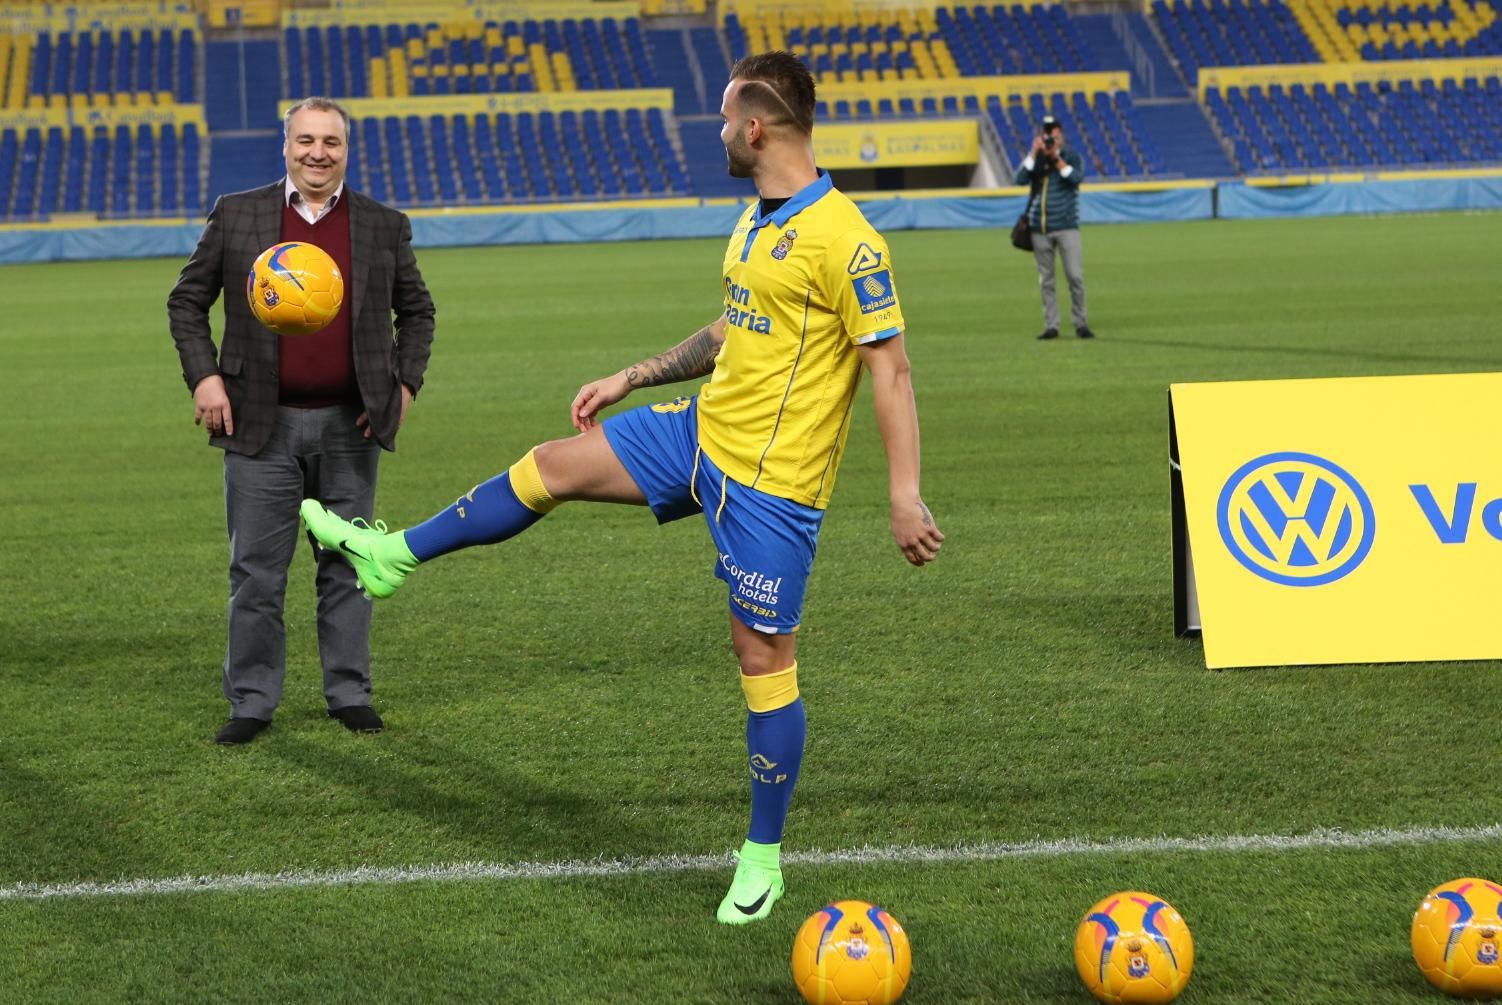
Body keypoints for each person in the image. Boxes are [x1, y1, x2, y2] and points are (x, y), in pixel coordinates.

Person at [299, 51, 943, 925]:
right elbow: (736, 326)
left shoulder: (849, 240)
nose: (717, 131)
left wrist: (903, 494)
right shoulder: (759, 219)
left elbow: (891, 369)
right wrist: (634, 375)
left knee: (761, 659)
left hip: (771, 486)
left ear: (756, 127)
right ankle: (392, 555)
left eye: (724, 118)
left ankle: (763, 859)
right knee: (555, 461)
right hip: (700, 433)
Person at [167, 96, 436, 746]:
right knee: (256, 572)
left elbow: (418, 312)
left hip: (352, 427)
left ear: (347, 149)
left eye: (331, 142)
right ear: (285, 146)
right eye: (306, 140)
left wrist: (404, 384)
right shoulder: (240, 214)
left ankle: (348, 693)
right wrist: (205, 377)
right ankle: (253, 701)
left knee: (347, 564)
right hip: (261, 426)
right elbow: (187, 301)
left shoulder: (381, 224)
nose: (318, 152)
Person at [1015, 115, 1095, 340]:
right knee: (1046, 280)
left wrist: (1057, 159)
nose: (1052, 138)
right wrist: (1034, 153)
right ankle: (1052, 325)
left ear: (1061, 136)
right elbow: (1019, 179)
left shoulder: (1072, 158)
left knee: (1075, 276)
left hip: (1066, 226)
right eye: (1048, 134)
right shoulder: (1037, 161)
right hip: (1039, 229)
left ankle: (1081, 322)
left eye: (1055, 134)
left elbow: (1076, 178)